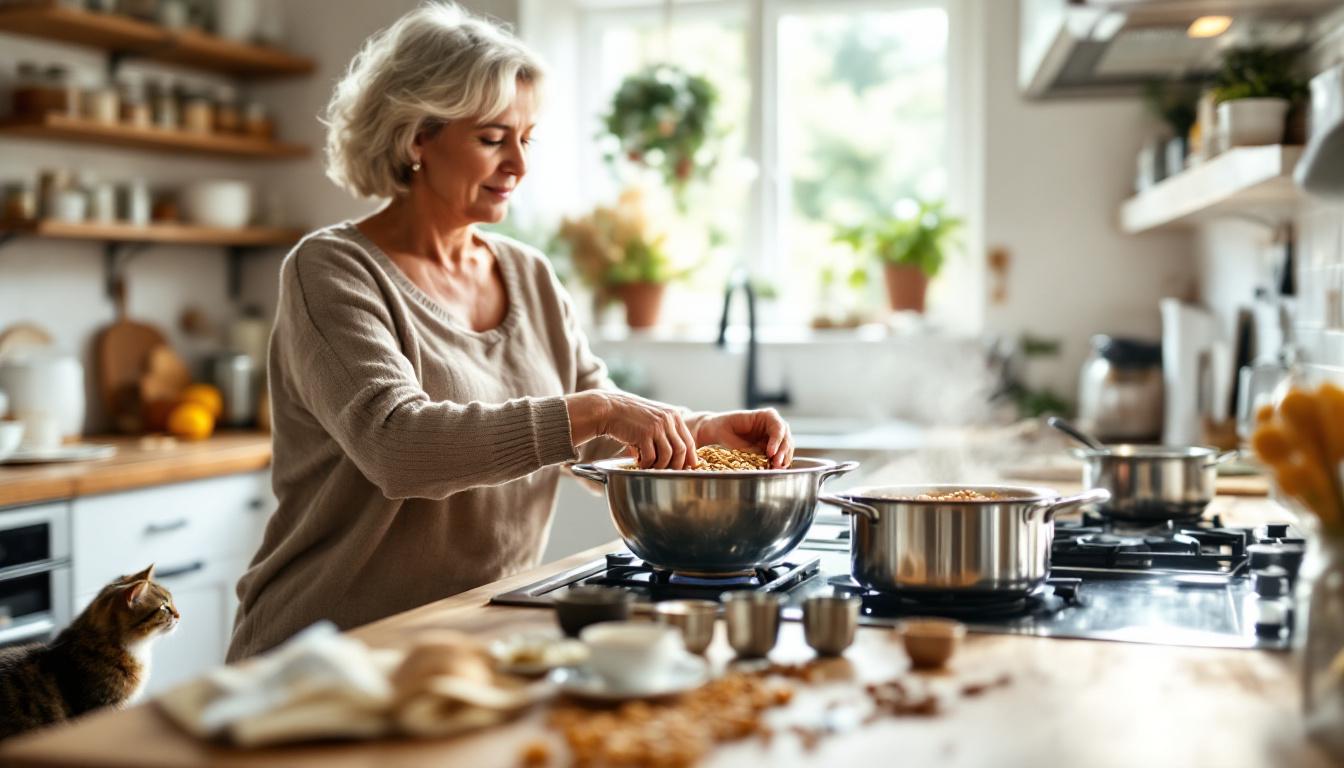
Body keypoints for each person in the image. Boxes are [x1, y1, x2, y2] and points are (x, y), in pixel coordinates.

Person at [227, 2, 793, 661]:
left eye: (528, 139)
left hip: (471, 635)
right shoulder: (331, 270)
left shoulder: (526, 273)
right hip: (328, 653)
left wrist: (695, 433)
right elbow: (398, 448)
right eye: (494, 139)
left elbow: (594, 427)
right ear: (416, 138)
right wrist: (602, 410)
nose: (519, 165)